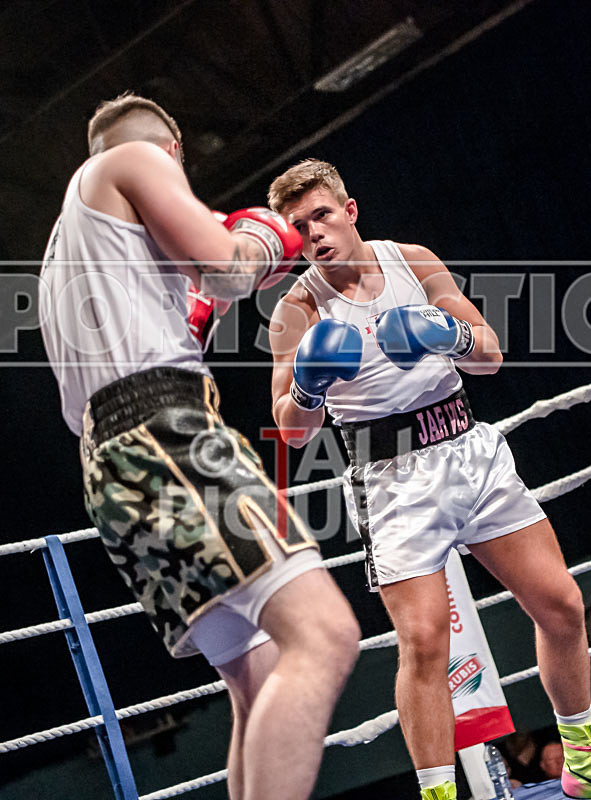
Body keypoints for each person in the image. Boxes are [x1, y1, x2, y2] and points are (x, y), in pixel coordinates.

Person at [266, 158, 591, 800]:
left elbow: (491, 355)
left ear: (350, 211)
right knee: (423, 642)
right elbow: (290, 428)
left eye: (322, 215)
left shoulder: (413, 261)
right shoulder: (297, 311)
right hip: (391, 478)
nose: (315, 233)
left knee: (561, 606)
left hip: (469, 449)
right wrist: (308, 383)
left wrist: (447, 335)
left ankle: (582, 762)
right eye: (299, 227)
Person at [38, 96, 360, 800]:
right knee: (326, 634)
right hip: (167, 434)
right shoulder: (134, 161)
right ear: (173, 152)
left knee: (261, 672)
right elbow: (226, 268)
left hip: (112, 469)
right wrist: (269, 236)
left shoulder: (69, 249)